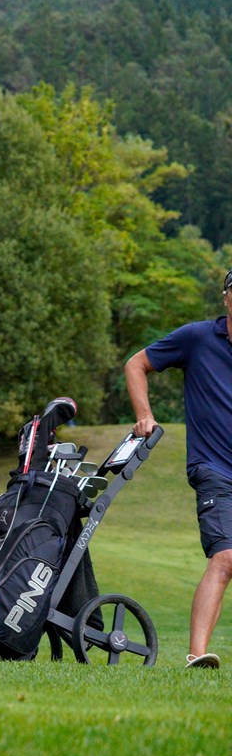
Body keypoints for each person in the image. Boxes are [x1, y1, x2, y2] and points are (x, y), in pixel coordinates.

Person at [126, 268, 232, 670]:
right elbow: (136, 364)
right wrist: (144, 415)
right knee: (225, 558)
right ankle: (197, 654)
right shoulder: (198, 338)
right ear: (225, 298)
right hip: (214, 469)